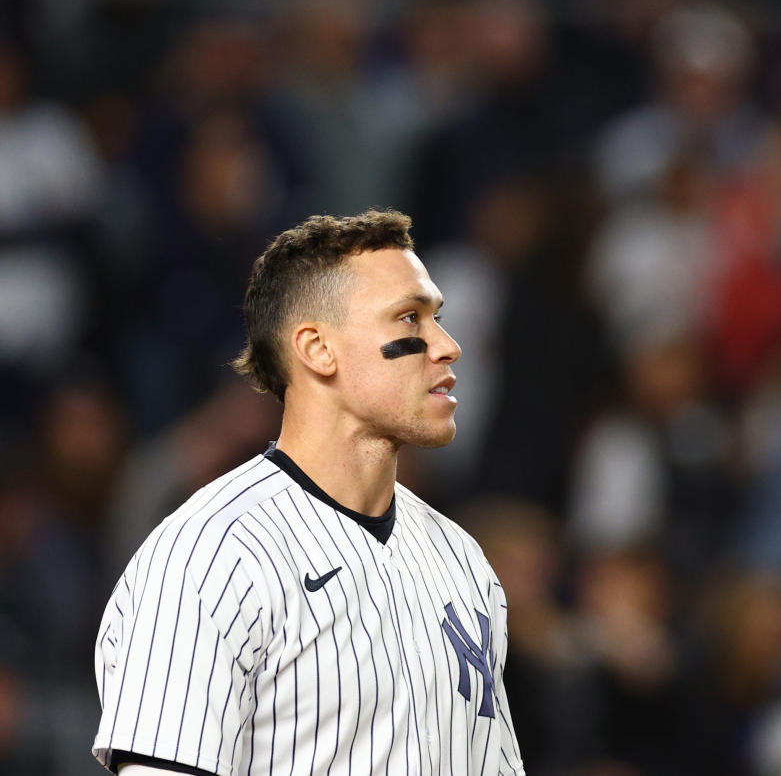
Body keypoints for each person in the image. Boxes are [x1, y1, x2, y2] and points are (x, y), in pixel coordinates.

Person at [91, 210, 524, 775]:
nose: (446, 346)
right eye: (409, 319)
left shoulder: (461, 560)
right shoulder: (210, 556)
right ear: (318, 350)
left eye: (437, 317)